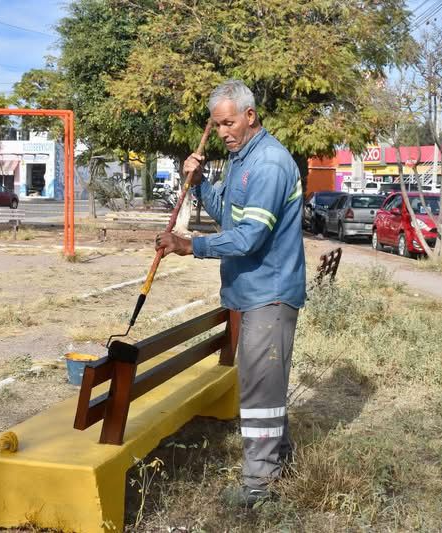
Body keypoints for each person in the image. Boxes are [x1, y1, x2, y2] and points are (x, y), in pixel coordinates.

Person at [155, 79, 306, 508]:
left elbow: (249, 237)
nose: (223, 131)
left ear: (250, 116)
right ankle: (282, 464)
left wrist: (190, 245)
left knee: (258, 393)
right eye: (217, 124)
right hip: (250, 293)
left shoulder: (271, 164)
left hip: (270, 294)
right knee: (265, 387)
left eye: (229, 122)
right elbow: (227, 215)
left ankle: (259, 489)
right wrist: (199, 182)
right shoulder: (241, 160)